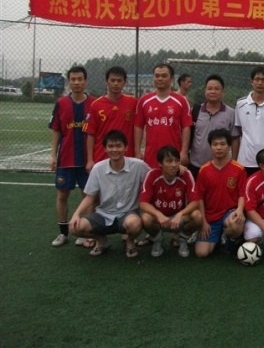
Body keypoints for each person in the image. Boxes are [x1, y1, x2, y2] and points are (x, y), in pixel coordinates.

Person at [68, 130, 150, 258]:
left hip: (128, 214)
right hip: (104, 214)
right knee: (75, 227)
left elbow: (153, 180)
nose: (114, 150)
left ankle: (129, 242)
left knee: (134, 224)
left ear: (126, 147)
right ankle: (102, 241)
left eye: (118, 146)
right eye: (110, 146)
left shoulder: (139, 166)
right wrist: (76, 214)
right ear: (105, 149)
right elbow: (90, 197)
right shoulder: (98, 169)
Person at [49, 65, 95, 247]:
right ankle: (63, 233)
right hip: (66, 159)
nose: (76, 82)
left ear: (85, 81)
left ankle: (84, 232)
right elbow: (56, 130)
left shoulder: (94, 103)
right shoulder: (61, 103)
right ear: (69, 82)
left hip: (87, 160)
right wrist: (53, 155)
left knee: (88, 195)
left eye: (80, 79)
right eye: (73, 79)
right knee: (62, 195)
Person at [139, 145, 203, 258]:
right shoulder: (152, 175)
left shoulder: (186, 174)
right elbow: (143, 203)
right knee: (145, 218)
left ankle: (182, 239)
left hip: (179, 218)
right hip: (159, 219)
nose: (174, 165)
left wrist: (180, 214)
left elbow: (195, 202)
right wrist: (158, 214)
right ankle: (157, 239)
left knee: (197, 216)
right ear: (160, 163)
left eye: (176, 161)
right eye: (169, 161)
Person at [193, 128, 247, 258]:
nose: (219, 148)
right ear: (210, 146)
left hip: (230, 212)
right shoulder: (204, 170)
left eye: (222, 144)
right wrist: (204, 222)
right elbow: (199, 198)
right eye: (215, 144)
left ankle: (229, 237)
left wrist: (240, 210)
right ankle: (217, 236)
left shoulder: (239, 169)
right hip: (211, 216)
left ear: (229, 146)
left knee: (236, 224)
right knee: (201, 253)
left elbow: (242, 194)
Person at [134, 63, 192, 169]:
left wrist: (184, 151)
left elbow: (186, 128)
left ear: (172, 78)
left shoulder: (181, 101)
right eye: (157, 76)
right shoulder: (144, 100)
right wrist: (137, 151)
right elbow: (138, 127)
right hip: (151, 155)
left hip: (173, 155)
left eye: (164, 76)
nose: (160, 79)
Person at [84, 66, 137, 171]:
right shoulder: (95, 105)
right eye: (113, 80)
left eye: (119, 81)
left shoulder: (133, 103)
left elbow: (139, 129)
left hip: (127, 158)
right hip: (101, 157)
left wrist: (138, 152)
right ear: (106, 81)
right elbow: (90, 134)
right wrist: (90, 160)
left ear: (125, 82)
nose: (116, 84)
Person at [189, 74, 238, 178]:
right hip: (196, 165)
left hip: (221, 166)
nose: (213, 91)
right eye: (210, 88)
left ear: (223, 92)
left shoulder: (231, 113)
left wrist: (233, 161)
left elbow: (235, 139)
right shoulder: (195, 111)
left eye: (216, 89)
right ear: (204, 91)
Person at [233, 66, 264, 176]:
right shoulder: (240, 104)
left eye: (263, 80)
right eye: (257, 79)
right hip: (245, 159)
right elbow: (239, 129)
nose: (260, 83)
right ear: (252, 82)